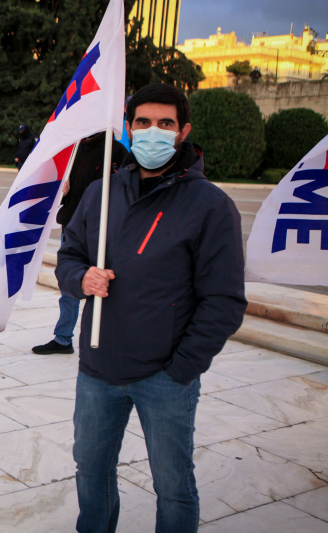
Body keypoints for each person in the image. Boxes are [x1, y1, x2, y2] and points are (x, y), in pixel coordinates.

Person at [55, 83, 247, 532]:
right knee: (92, 472)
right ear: (128, 127)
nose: (153, 132)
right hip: (98, 369)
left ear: (183, 131)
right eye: (143, 122)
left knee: (174, 484)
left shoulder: (211, 205)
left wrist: (181, 367)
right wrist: (80, 278)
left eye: (165, 123)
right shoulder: (102, 192)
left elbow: (224, 301)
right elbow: (69, 255)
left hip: (165, 376)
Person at [32, 131, 128, 355]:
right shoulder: (77, 150)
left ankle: (107, 339)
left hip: (102, 230)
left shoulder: (116, 152)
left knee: (106, 287)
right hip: (73, 226)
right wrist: (63, 192)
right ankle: (63, 338)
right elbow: (73, 189)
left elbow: (125, 191)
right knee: (69, 285)